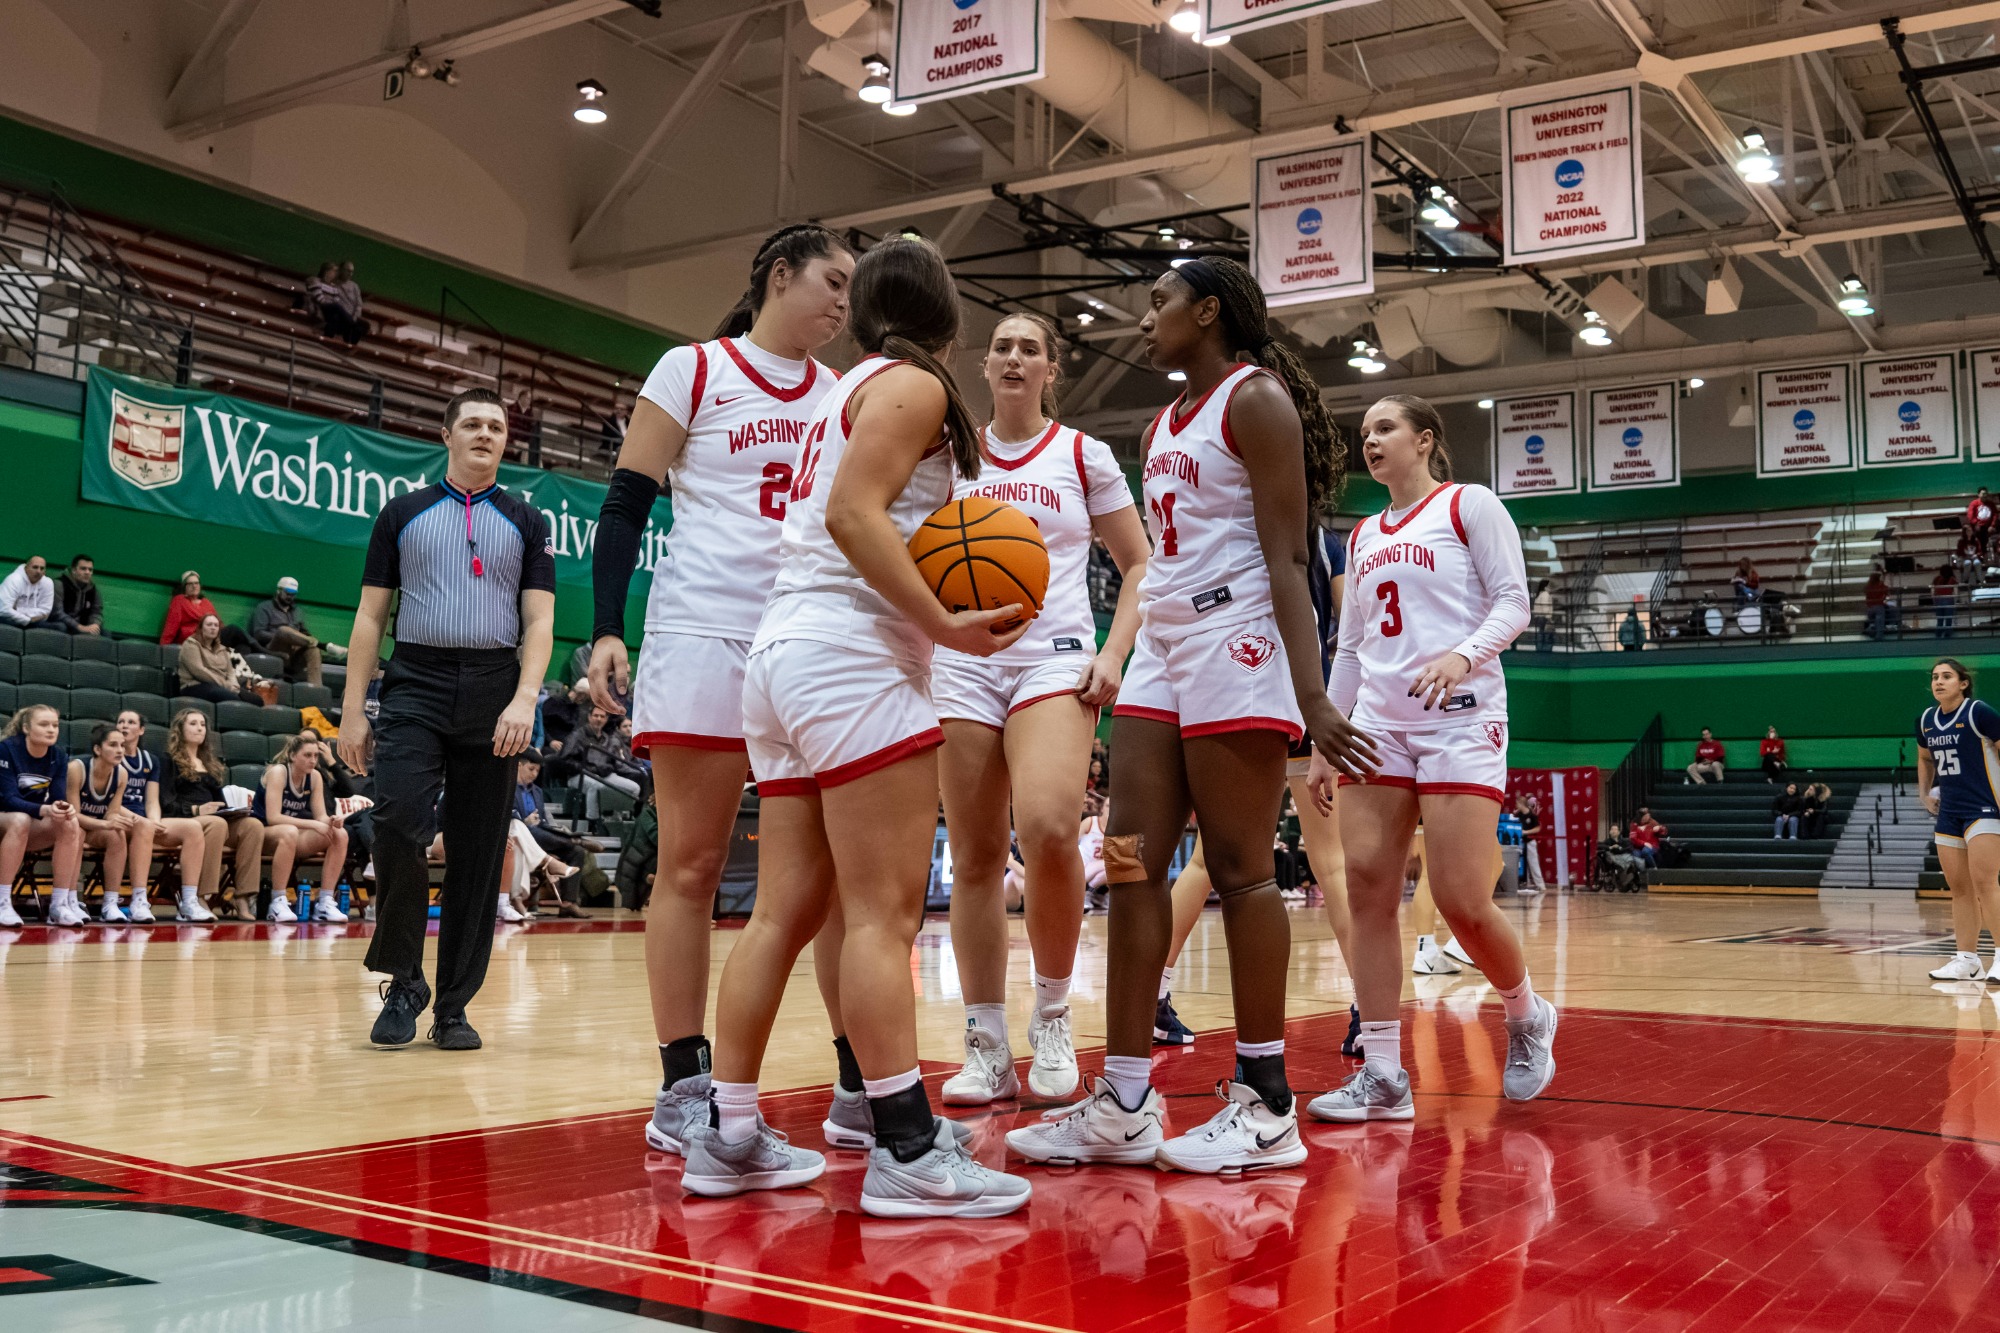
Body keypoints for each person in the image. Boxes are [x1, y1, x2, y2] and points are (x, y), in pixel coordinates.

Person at [1005, 255, 1375, 1173]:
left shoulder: (1256, 401)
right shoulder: (1166, 421)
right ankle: (1124, 1099)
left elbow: (1290, 560)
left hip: (1238, 642)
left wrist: (1314, 691)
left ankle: (1264, 1102)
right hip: (1165, 646)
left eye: (1160, 301)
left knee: (1244, 870)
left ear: (1209, 312)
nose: (1146, 319)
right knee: (1129, 863)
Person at [682, 236, 1026, 1214]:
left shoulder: (838, 390)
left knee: (784, 909)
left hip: (783, 659)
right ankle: (907, 1153)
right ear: (944, 319)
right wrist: (943, 623)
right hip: (849, 657)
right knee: (879, 918)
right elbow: (851, 515)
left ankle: (730, 1133)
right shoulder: (912, 388)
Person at [585, 224, 860, 1155]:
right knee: (693, 865)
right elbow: (624, 502)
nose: (843, 303)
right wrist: (607, 627)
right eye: (832, 281)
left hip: (808, 641)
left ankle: (857, 1080)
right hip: (703, 631)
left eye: (852, 291)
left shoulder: (839, 394)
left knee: (827, 880)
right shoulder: (693, 368)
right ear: (779, 276)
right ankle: (681, 1084)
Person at [1304, 392, 1554, 1125]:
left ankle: (1527, 1012)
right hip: (1377, 724)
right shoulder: (1361, 534)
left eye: (1385, 427)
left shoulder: (1468, 506)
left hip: (1461, 717)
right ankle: (1382, 1069)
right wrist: (1329, 733)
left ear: (1425, 439)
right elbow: (1349, 647)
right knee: (1370, 892)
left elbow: (1514, 603)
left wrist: (1461, 655)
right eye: (1364, 432)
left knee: (1460, 898)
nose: (1370, 440)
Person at [930, 311, 1149, 1107]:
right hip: (963, 660)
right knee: (977, 855)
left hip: (1053, 656)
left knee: (1053, 827)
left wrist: (1114, 653)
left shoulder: (1082, 454)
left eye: (1031, 348)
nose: (1015, 358)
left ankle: (1052, 1016)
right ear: (984, 367)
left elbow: (1139, 565)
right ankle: (985, 1041)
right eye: (1002, 348)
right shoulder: (952, 454)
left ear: (1051, 369)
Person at [338, 387, 556, 1052]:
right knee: (396, 818)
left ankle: (454, 1003)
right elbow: (371, 615)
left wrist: (525, 699)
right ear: (447, 435)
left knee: (478, 850)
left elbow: (541, 619)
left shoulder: (528, 519)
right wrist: (352, 710)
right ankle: (404, 980)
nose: (485, 433)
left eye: (496, 425)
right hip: (416, 682)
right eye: (472, 423)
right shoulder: (402, 513)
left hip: (495, 688)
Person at [1918, 659, 2000, 981]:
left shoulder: (1980, 713)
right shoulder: (1925, 720)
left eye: (1946, 676)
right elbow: (1925, 758)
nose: (1939, 682)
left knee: (1986, 883)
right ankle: (1967, 960)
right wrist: (1924, 794)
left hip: (1984, 808)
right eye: (1935, 677)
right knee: (1959, 888)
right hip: (1949, 812)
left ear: (1963, 683)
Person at [159, 707, 267, 921]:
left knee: (253, 826)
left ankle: (243, 896)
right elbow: (164, 803)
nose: (199, 728)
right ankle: (202, 895)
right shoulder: (168, 761)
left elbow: (220, 802)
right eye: (193, 723)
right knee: (215, 824)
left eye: (202, 724)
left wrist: (233, 813)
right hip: (185, 820)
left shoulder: (209, 763)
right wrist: (197, 810)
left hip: (214, 820)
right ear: (180, 729)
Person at [111, 709, 212, 922]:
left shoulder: (150, 760)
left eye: (130, 722)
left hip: (145, 819)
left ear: (141, 729)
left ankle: (189, 901)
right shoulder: (111, 757)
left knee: (192, 828)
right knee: (145, 827)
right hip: (118, 817)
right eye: (120, 722)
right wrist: (144, 822)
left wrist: (155, 820)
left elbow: (152, 800)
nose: (124, 726)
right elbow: (110, 802)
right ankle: (139, 899)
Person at [0, 704, 84, 926]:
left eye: (55, 725)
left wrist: (62, 808)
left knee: (69, 822)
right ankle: (3, 902)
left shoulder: (58, 756)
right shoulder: (6, 749)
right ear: (26, 728)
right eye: (44, 724)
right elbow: (8, 799)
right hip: (4, 819)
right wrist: (43, 809)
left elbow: (57, 797)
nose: (51, 730)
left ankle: (58, 905)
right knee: (20, 818)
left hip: (28, 825)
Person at [256, 732, 350, 923]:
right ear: (292, 756)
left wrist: (331, 821)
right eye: (307, 755)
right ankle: (278, 900)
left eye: (315, 756)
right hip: (264, 834)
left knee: (340, 834)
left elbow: (320, 816)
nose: (313, 760)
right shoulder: (278, 772)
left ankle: (325, 901)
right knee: (288, 831)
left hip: (292, 836)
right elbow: (273, 817)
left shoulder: (314, 777)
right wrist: (314, 824)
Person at [69, 724, 147, 922]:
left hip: (94, 828)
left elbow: (111, 813)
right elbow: (73, 815)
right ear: (97, 749)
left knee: (117, 834)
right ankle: (69, 900)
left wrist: (121, 820)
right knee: (76, 830)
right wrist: (106, 824)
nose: (120, 750)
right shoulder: (76, 769)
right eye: (113, 745)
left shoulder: (121, 774)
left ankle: (110, 903)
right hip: (71, 826)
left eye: (122, 745)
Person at [251, 577, 335, 685]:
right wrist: (283, 637)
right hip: (275, 650)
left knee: (314, 650)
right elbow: (259, 634)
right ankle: (322, 645)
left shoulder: (298, 611)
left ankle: (315, 691)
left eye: (294, 594)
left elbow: (305, 633)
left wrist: (300, 639)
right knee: (283, 630)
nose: (290, 597)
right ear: (279, 590)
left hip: (294, 656)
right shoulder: (264, 607)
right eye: (288, 593)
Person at [178, 615, 266, 704]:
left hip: (222, 686)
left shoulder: (222, 649)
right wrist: (227, 685)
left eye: (216, 625)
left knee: (257, 701)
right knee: (232, 699)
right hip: (195, 685)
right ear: (201, 628)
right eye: (209, 625)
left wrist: (234, 685)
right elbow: (199, 671)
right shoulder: (191, 644)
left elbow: (230, 672)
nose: (213, 628)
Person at [0, 556, 60, 630]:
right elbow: (3, 610)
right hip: (11, 620)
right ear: (26, 568)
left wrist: (17, 610)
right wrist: (28, 620)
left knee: (60, 627)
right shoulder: (14, 579)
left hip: (33, 622)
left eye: (42, 568)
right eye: (35, 567)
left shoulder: (48, 583)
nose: (38, 571)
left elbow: (45, 612)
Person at [159, 571, 217, 646]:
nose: (194, 586)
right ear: (184, 587)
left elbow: (219, 624)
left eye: (196, 583)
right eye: (190, 584)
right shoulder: (179, 601)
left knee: (233, 631)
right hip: (191, 642)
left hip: (209, 641)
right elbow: (171, 627)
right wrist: (162, 649)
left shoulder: (206, 603)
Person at [58, 555, 104, 636]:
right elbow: (57, 613)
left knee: (104, 633)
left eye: (90, 570)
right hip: (63, 623)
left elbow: (97, 612)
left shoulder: (93, 589)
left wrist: (95, 625)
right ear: (73, 570)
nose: (87, 572)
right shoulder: (59, 584)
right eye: (83, 569)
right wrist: (79, 627)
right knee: (61, 627)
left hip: (83, 625)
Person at [1516, 795, 1547, 892]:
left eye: (1517, 803)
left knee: (1534, 864)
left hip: (1530, 842)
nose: (1516, 805)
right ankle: (1524, 883)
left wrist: (1525, 832)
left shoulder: (1532, 815)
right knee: (1521, 864)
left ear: (1521, 804)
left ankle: (1541, 885)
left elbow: (1538, 828)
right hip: (1520, 843)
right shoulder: (1518, 815)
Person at [1864, 569, 1900, 640]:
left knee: (1878, 618)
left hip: (1870, 608)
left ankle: (1874, 630)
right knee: (1882, 616)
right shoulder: (1880, 586)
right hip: (1878, 607)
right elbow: (1887, 592)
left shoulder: (1868, 586)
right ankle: (1879, 635)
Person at [1968, 487, 1996, 559]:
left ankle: (1989, 555)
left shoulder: (1991, 504)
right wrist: (1976, 524)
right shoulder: (1974, 503)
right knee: (1977, 538)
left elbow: (1995, 515)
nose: (1985, 495)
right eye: (1983, 494)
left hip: (1988, 526)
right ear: (1978, 494)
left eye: (1986, 493)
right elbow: (1970, 516)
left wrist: (1992, 525)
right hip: (1978, 526)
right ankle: (1979, 554)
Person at [1932, 561, 1957, 639]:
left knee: (1940, 619)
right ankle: (1947, 634)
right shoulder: (1952, 579)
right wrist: (1955, 601)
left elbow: (1932, 591)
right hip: (1949, 599)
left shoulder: (1937, 579)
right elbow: (1955, 592)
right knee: (1948, 620)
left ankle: (1938, 634)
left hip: (1938, 600)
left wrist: (1934, 600)